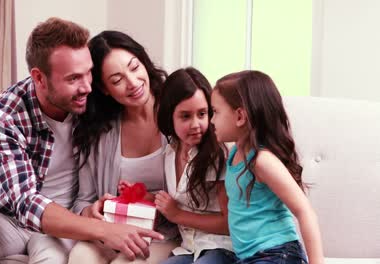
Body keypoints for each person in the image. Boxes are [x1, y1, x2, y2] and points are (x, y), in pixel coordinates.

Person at [0, 18, 162, 264]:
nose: (87, 86)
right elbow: (24, 201)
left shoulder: (95, 101)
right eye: (73, 78)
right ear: (39, 78)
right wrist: (103, 229)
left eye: (89, 73)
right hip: (10, 216)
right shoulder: (6, 114)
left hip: (68, 220)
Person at [68, 30, 179, 264]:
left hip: (164, 235)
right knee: (79, 258)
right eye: (117, 80)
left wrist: (163, 209)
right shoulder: (99, 133)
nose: (132, 82)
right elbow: (83, 201)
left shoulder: (179, 115)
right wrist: (92, 211)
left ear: (144, 62)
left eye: (134, 67)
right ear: (105, 89)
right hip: (112, 234)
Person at [210, 70, 324, 264]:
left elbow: (305, 211)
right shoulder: (234, 153)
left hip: (278, 254)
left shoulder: (262, 161)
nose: (211, 120)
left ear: (240, 116)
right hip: (250, 257)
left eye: (216, 112)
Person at [153, 67, 236, 264]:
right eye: (185, 116)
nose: (196, 124)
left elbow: (229, 223)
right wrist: (151, 199)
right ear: (169, 116)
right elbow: (180, 201)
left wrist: (177, 215)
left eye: (202, 114)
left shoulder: (218, 154)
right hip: (189, 248)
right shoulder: (169, 151)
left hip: (221, 248)